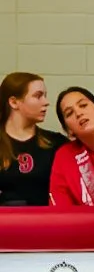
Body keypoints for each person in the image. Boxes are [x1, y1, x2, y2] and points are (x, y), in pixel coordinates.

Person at [0, 73, 66, 205]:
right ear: (14, 102)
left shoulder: (56, 143)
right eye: (38, 96)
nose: (46, 102)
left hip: (46, 223)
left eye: (45, 96)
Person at [50, 87, 94, 207]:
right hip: (87, 225)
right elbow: (61, 213)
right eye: (69, 113)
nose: (78, 113)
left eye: (83, 105)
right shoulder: (65, 156)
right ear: (69, 131)